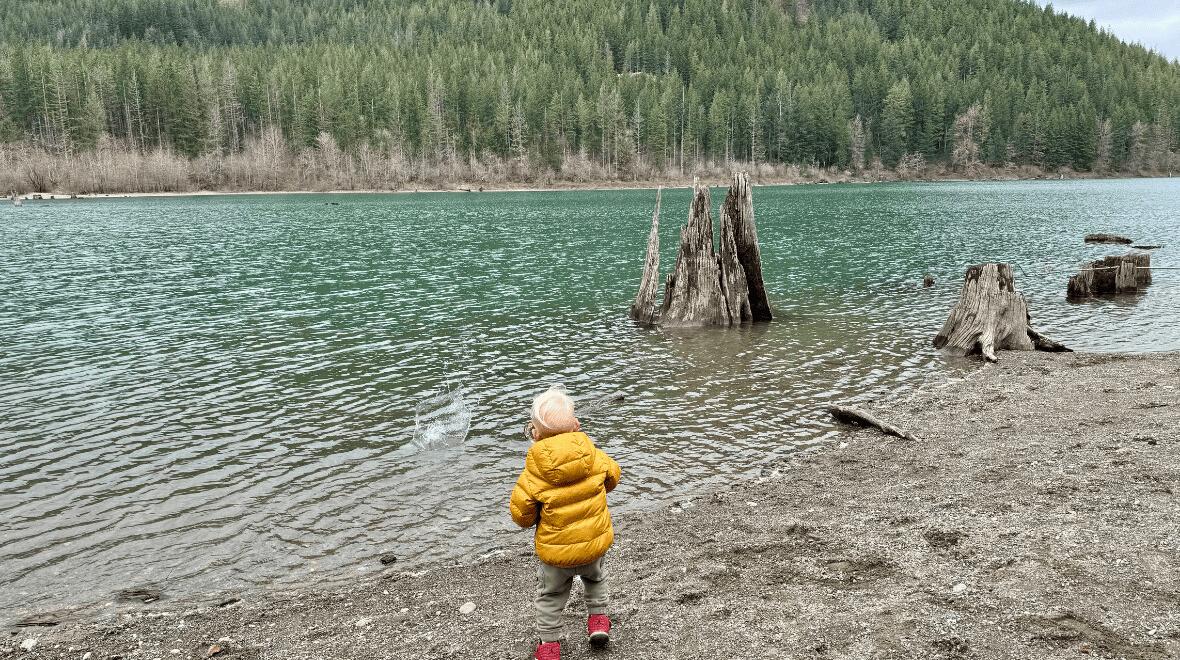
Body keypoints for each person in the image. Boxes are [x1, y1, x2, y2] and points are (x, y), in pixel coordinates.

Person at [510, 386, 622, 660]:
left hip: (556, 553)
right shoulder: (592, 454)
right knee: (595, 579)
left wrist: (538, 514)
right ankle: (597, 623)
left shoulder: (534, 470)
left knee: (550, 596)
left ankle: (549, 645)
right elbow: (613, 476)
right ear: (576, 425)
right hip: (593, 544)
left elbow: (521, 515)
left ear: (534, 434)